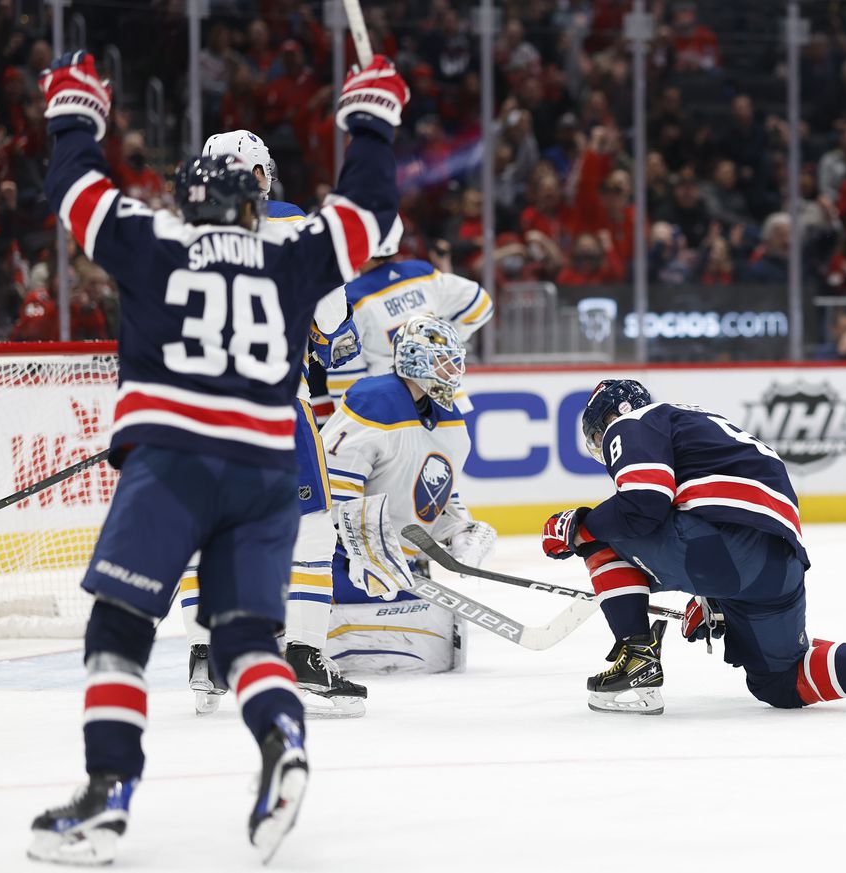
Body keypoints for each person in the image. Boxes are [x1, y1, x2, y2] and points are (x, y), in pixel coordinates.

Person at [27, 51, 409, 865]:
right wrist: (371, 115)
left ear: (190, 195)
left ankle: (107, 793)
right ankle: (280, 742)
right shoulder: (294, 254)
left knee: (121, 625)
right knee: (245, 641)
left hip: (175, 462)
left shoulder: (152, 241)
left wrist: (74, 108)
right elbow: (371, 206)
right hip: (267, 470)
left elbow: (73, 187)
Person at [539, 380, 846, 716]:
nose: (602, 445)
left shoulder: (631, 423)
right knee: (778, 680)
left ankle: (637, 659)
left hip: (721, 549)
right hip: (779, 564)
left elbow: (644, 505)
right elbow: (711, 502)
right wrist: (714, 593)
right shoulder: (696, 422)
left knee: (597, 531)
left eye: (598, 434)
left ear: (614, 415)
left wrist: (576, 528)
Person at [179, 128, 367, 719]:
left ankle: (203, 654)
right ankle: (306, 656)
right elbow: (336, 334)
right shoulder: (297, 228)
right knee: (312, 529)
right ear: (261, 175)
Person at [317, 314, 496, 674]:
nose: (452, 369)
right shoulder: (375, 399)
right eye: (442, 359)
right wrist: (367, 552)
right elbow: (335, 485)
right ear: (414, 359)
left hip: (399, 565)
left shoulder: (449, 416)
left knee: (439, 651)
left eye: (454, 360)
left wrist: (459, 529)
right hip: (338, 560)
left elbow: (437, 492)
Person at [317, 227, 493, 413]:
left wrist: (348, 418)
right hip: (445, 395)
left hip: (392, 408)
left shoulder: (350, 297)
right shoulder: (421, 272)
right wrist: (447, 339)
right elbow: (481, 303)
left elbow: (346, 373)